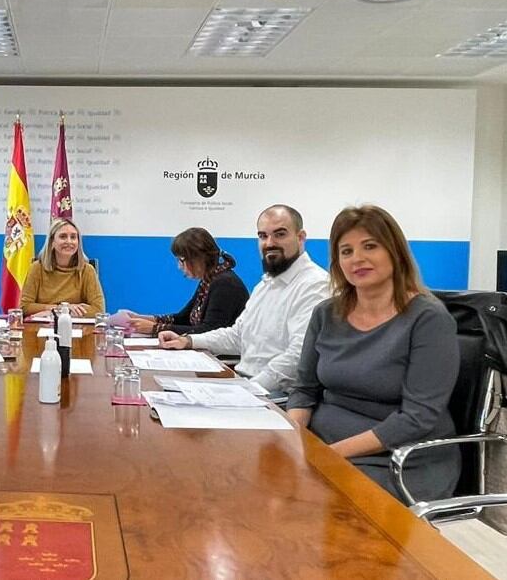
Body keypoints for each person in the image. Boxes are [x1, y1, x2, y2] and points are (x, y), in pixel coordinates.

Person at [286, 205, 460, 501]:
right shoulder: (326, 313)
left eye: (370, 246)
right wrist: (292, 440)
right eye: (346, 251)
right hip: (323, 446)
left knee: (306, 503)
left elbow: (416, 418)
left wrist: (329, 456)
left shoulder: (429, 319)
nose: (358, 259)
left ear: (394, 251)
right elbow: (304, 390)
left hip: (399, 460)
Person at [159, 205, 328, 392]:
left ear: (301, 237)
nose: (269, 243)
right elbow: (237, 336)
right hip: (244, 383)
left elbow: (298, 355)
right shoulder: (266, 285)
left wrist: (249, 390)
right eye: (263, 236)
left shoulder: (314, 285)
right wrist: (189, 341)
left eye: (280, 234)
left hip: (275, 396)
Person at [125, 227, 248, 335]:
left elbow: (210, 331)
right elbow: (183, 318)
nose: (179, 266)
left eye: (181, 260)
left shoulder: (226, 284)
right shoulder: (210, 280)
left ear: (198, 258)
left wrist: (155, 328)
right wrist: (145, 319)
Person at [20, 218, 105, 318]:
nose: (69, 241)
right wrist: (61, 308)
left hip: (78, 329)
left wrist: (62, 311)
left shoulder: (87, 270)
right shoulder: (37, 268)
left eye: (73, 237)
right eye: (63, 236)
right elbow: (25, 307)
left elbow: (99, 310)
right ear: (52, 242)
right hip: (42, 328)